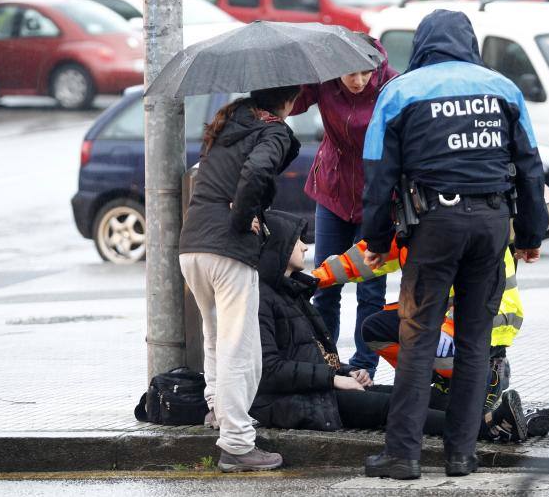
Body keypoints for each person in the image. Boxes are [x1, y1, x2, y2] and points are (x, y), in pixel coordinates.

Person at [360, 9, 549, 479]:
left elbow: (378, 177)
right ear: (470, 42)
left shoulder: (399, 92)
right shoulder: (503, 89)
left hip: (433, 226)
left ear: (422, 43)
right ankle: (461, 456)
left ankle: (402, 456)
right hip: (491, 225)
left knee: (418, 337)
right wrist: (529, 235)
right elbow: (530, 167)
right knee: (474, 343)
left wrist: (376, 241)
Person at [249, 210, 528, 442]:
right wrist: (336, 377)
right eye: (298, 240)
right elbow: (271, 371)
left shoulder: (289, 296)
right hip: (305, 398)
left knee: (409, 395)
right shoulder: (266, 299)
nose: (306, 247)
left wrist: (345, 372)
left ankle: (492, 401)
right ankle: (488, 427)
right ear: (280, 247)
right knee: (397, 404)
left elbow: (308, 359)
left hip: (478, 333)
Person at [313, 236, 549, 439]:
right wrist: (315, 277)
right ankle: (491, 412)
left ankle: (492, 401)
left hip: (477, 345)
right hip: (446, 336)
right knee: (378, 334)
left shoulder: (470, 228)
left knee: (412, 407)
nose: (305, 248)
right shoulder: (412, 223)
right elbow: (366, 255)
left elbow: (490, 304)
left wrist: (448, 330)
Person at [179, 85, 301, 473]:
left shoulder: (230, 121)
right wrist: (241, 219)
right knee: (240, 348)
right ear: (289, 100)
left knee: (215, 335)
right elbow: (258, 170)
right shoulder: (273, 130)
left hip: (192, 246)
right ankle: (236, 444)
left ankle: (217, 411)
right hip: (227, 249)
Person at [289, 38, 399, 378]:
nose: (359, 81)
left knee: (370, 287)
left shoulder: (393, 85)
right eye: (351, 73)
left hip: (377, 198)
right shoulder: (324, 80)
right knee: (325, 280)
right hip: (334, 190)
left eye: (366, 72)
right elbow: (290, 104)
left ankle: (365, 365)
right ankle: (326, 360)